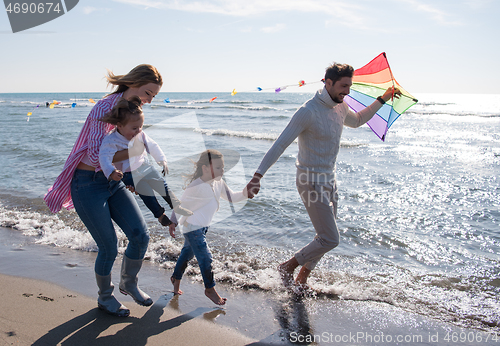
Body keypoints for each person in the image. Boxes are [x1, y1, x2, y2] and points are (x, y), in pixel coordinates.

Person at [245, 62, 401, 291]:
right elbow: (280, 144)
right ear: (328, 82)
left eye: (349, 86)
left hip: (330, 179)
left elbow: (357, 121)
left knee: (324, 237)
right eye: (343, 86)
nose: (347, 91)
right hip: (309, 180)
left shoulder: (340, 106)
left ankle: (302, 279)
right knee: (330, 238)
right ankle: (287, 267)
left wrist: (383, 98)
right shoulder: (308, 111)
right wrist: (257, 176)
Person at [44, 64, 163, 317]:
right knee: (108, 245)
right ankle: (105, 298)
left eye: (152, 96)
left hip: (113, 182)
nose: (149, 100)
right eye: (149, 93)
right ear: (136, 82)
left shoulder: (133, 110)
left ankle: (129, 283)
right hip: (88, 183)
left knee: (140, 236)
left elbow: (128, 147)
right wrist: (136, 151)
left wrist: (132, 170)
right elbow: (98, 156)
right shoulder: (105, 107)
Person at [99, 96, 193, 227]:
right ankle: (160, 216)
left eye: (141, 127)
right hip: (129, 174)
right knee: (147, 195)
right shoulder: (111, 140)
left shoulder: (140, 134)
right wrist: (111, 172)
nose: (138, 131)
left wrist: (161, 160)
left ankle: (176, 205)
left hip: (144, 165)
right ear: (119, 126)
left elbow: (152, 145)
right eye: (134, 128)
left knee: (162, 185)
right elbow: (104, 157)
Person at [168, 149, 247, 305]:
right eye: (218, 167)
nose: (222, 171)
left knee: (186, 255)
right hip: (193, 227)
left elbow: (232, 197)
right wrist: (173, 222)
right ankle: (209, 288)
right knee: (206, 258)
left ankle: (175, 279)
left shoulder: (219, 183)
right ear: (205, 168)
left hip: (202, 228)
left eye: (223, 167)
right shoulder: (196, 185)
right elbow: (181, 204)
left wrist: (246, 192)